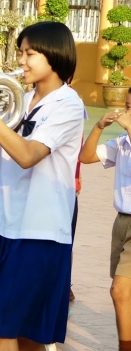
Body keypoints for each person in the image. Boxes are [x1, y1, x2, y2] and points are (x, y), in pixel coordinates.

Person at [0, 21, 84, 350]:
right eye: (20, 53)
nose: (22, 61)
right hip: (7, 226)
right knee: (26, 334)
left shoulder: (68, 105)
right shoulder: (21, 98)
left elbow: (28, 154)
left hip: (41, 233)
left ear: (54, 56)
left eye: (30, 53)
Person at [79, 93, 131, 351]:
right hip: (122, 221)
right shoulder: (122, 142)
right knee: (124, 293)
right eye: (128, 106)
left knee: (119, 290)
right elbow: (86, 157)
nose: (127, 112)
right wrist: (99, 127)